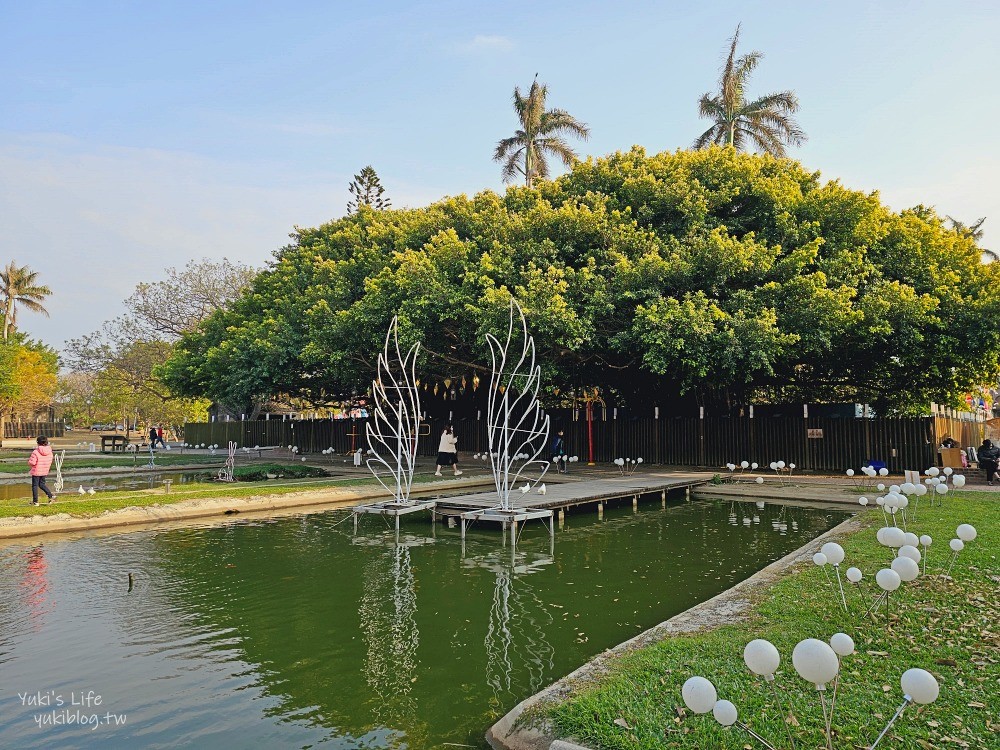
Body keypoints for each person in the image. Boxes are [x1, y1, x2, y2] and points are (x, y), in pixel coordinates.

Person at [28, 436, 57, 505]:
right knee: (41, 484)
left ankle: (35, 502)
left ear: (38, 443)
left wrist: (29, 462)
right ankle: (51, 496)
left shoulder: (36, 451)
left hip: (36, 471)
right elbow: (50, 461)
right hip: (44, 471)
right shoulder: (50, 451)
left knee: (35, 486)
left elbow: (32, 462)